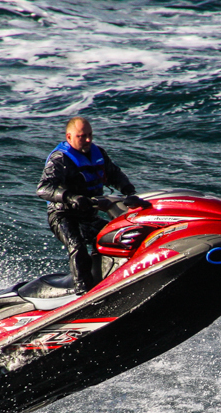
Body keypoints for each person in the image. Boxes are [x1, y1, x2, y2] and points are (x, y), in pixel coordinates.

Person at [36, 117, 142, 294]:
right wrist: (70, 197)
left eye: (90, 135)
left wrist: (129, 192)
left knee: (114, 238)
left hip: (88, 214)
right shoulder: (60, 158)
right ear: (69, 137)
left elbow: (115, 175)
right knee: (77, 246)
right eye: (82, 136)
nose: (88, 140)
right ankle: (83, 290)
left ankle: (108, 277)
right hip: (62, 215)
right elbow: (43, 189)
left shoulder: (97, 153)